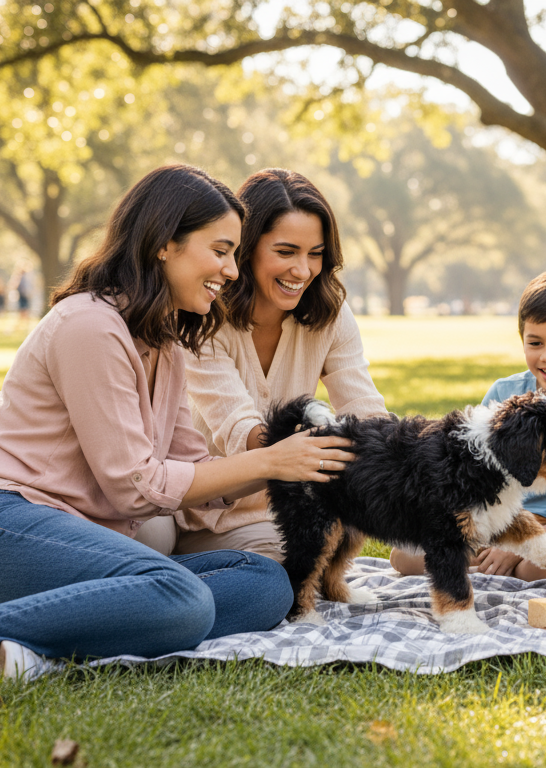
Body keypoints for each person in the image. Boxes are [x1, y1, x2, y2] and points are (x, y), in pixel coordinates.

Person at [0, 165, 340, 703]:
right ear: (164, 245)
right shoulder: (89, 325)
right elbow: (135, 486)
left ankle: (43, 648)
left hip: (83, 549)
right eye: (221, 250)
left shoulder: (164, 342)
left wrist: (293, 466)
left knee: (264, 584)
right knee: (183, 597)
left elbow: (195, 468)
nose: (232, 270)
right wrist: (269, 462)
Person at [133, 168, 388, 561]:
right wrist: (323, 450)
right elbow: (244, 431)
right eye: (285, 252)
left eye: (315, 254)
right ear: (246, 249)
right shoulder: (202, 315)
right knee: (148, 544)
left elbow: (366, 411)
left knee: (299, 562)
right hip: (190, 507)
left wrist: (397, 453)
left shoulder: (331, 315)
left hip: (272, 515)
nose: (302, 270)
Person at [389, 269, 546, 581]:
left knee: (534, 568)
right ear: (522, 340)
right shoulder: (505, 394)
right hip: (499, 517)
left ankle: (489, 565)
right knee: (404, 558)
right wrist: (501, 537)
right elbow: (474, 475)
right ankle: (488, 565)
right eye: (535, 342)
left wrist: (521, 546)